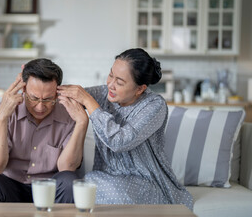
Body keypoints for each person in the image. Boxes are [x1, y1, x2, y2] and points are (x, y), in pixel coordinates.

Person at [57, 48, 193, 210]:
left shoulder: (154, 105)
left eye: (120, 82)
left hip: (145, 180)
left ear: (140, 89)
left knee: (103, 191)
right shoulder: (102, 93)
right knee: (86, 183)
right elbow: (64, 96)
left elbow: (119, 141)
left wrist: (89, 102)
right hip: (106, 177)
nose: (110, 85)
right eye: (110, 75)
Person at [0, 58, 88, 203]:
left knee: (69, 181)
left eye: (48, 99)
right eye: (34, 98)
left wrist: (82, 123)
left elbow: (67, 167)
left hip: (49, 189)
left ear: (57, 93)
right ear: (24, 89)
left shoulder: (69, 115)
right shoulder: (4, 111)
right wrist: (2, 118)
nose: (40, 107)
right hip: (10, 186)